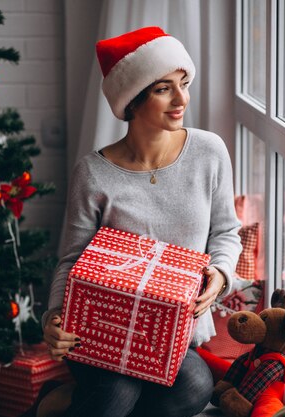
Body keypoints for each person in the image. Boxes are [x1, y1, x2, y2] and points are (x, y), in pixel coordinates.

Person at [42, 26, 242, 417]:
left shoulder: (209, 152)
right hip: (100, 331)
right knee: (117, 389)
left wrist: (219, 273)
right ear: (132, 100)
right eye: (163, 88)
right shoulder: (93, 173)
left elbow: (226, 231)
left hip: (172, 335)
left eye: (183, 83)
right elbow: (71, 260)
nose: (182, 98)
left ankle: (61, 405)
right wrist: (52, 316)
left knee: (196, 385)